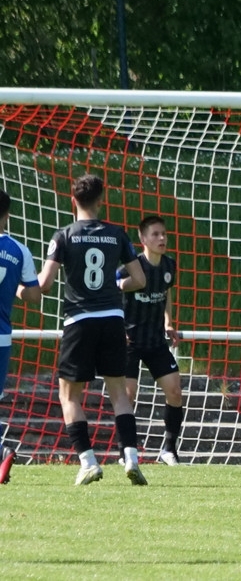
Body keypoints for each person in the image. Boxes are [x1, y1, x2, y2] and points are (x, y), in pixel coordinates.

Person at [37, 174, 148, 486]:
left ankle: (88, 461)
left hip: (79, 320)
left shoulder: (64, 236)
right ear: (102, 199)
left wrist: (21, 288)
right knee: (118, 392)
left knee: (69, 394)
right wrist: (116, 285)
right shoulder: (117, 234)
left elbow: (45, 284)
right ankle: (131, 457)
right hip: (113, 318)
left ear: (73, 200)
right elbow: (140, 280)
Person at [120, 215, 185, 466]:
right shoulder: (131, 267)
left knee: (175, 391)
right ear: (143, 239)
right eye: (155, 234)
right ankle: (125, 451)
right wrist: (117, 326)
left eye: (164, 234)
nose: (162, 238)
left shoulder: (169, 265)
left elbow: (166, 294)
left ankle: (169, 450)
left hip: (155, 340)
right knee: (128, 395)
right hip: (129, 341)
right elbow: (113, 291)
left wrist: (169, 322)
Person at [0, 190, 43, 485]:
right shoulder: (19, 250)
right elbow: (34, 295)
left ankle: (1, 451)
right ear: (7, 215)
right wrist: (16, 287)